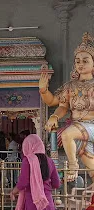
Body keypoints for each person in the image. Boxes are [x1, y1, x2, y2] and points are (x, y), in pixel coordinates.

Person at [39, 32, 94, 181]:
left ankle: (72, 166)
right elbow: (57, 104)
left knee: (66, 134)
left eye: (85, 60)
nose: (80, 64)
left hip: (91, 126)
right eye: (77, 61)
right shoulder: (70, 86)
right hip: (79, 130)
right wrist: (44, 91)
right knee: (92, 170)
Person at [11, 134, 60, 210]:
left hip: (33, 202)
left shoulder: (27, 161)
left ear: (27, 146)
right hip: (47, 202)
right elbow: (57, 183)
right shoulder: (50, 161)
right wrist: (44, 187)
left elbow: (23, 183)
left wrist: (13, 191)